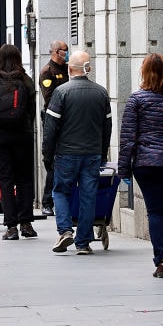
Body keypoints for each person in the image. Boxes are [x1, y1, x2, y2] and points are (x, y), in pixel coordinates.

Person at [117, 53, 163, 277]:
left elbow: (128, 137)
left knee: (157, 211)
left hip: (148, 164)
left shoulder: (137, 100)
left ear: (144, 72)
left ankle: (162, 258)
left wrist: (123, 169)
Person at [43, 50, 112, 256]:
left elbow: (50, 128)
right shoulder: (101, 93)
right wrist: (102, 153)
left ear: (69, 69)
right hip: (92, 154)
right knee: (88, 196)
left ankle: (65, 230)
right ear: (88, 68)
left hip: (66, 153)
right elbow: (107, 127)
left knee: (60, 192)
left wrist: (48, 155)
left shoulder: (61, 92)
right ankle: (83, 242)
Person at [0, 44, 39, 241]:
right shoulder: (26, 80)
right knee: (24, 179)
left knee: (5, 180)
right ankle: (26, 224)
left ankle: (11, 227)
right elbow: (31, 109)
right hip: (23, 135)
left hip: (0, 137)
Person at [38, 41, 70, 215]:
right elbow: (49, 99)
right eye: (65, 50)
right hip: (53, 120)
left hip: (68, 120)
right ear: (57, 52)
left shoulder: (67, 69)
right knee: (52, 161)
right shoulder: (47, 72)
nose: (68, 53)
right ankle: (47, 202)